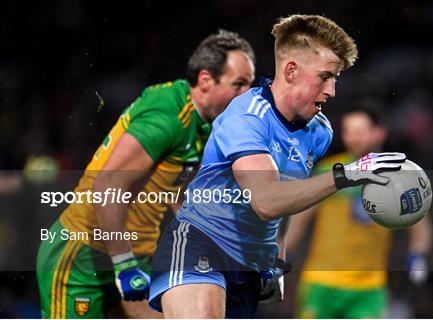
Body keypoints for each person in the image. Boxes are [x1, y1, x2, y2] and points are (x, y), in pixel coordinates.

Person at [149, 14, 407, 318]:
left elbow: (289, 198)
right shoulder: (247, 118)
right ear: (291, 70)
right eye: (325, 77)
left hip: (247, 268)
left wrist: (277, 258)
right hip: (201, 243)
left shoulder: (319, 131)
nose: (332, 91)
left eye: (336, 79)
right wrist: (344, 176)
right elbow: (266, 201)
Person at [36, 30, 255, 319]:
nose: (246, 96)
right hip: (84, 258)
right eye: (238, 85)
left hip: (135, 258)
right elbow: (108, 184)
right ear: (204, 80)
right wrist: (124, 264)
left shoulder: (205, 126)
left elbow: (180, 197)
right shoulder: (169, 116)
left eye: (250, 86)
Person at [288, 109, 433, 318]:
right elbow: (299, 219)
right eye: (348, 132)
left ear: (379, 133)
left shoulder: (398, 176)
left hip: (369, 288)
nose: (353, 138)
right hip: (322, 283)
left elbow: (420, 224)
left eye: (360, 131)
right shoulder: (330, 171)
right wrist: (282, 254)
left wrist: (417, 255)